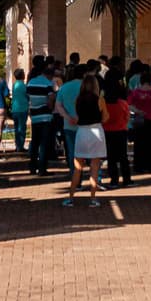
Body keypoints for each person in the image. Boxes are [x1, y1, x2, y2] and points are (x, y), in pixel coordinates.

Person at [65, 74, 108, 207]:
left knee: (77, 167)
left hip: (82, 132)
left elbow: (78, 116)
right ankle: (93, 198)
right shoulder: (99, 99)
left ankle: (71, 197)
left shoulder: (78, 99)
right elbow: (105, 117)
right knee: (95, 167)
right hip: (96, 131)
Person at [129, 73, 151, 173]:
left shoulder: (136, 92)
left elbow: (128, 104)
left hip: (140, 119)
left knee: (139, 144)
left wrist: (137, 110)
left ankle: (139, 166)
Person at [26, 63, 57, 175]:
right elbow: (50, 99)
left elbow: (28, 97)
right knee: (44, 143)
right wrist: (51, 107)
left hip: (34, 116)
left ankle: (32, 167)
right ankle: (42, 168)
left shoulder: (30, 83)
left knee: (35, 142)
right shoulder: (47, 83)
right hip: (45, 116)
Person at [101, 72, 132, 188]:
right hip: (120, 130)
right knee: (123, 156)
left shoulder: (103, 102)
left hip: (107, 131)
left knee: (111, 157)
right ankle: (127, 179)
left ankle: (114, 180)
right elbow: (127, 117)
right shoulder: (123, 103)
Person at [55, 69, 83, 175]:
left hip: (69, 124)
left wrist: (67, 117)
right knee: (90, 152)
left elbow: (58, 105)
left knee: (72, 152)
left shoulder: (64, 87)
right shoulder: (85, 86)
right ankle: (95, 177)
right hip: (85, 124)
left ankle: (75, 175)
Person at [10, 67, 29, 154]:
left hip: (15, 109)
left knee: (16, 128)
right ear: (22, 76)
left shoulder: (14, 85)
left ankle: (17, 145)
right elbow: (28, 96)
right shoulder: (24, 86)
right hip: (22, 109)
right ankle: (20, 146)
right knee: (22, 128)